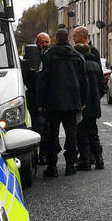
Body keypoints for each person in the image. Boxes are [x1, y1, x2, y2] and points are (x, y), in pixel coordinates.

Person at [37, 28, 88, 177]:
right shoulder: (77, 56)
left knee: (52, 134)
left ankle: (52, 167)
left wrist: (40, 102)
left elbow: (42, 80)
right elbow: (84, 81)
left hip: (53, 102)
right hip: (72, 102)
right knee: (71, 134)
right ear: (68, 39)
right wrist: (83, 101)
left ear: (56, 39)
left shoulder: (48, 55)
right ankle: (70, 165)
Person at [71, 27, 105, 170]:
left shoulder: (80, 63)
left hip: (83, 103)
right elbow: (101, 84)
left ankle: (85, 160)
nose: (73, 38)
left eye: (75, 36)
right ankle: (98, 159)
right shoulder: (95, 64)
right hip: (94, 103)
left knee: (82, 132)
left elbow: (78, 84)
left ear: (82, 36)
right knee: (93, 131)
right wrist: (97, 97)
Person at [31, 32, 53, 167]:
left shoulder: (52, 56)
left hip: (48, 100)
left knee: (47, 131)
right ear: (36, 43)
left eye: (46, 42)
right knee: (35, 130)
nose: (44, 44)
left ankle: (44, 155)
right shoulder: (33, 57)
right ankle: (35, 155)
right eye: (41, 42)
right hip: (34, 99)